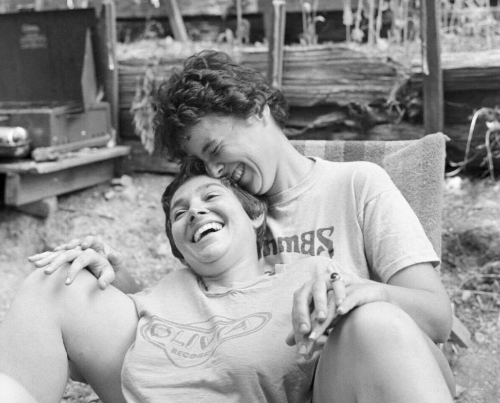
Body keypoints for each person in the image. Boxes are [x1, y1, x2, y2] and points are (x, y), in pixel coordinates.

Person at [21, 49, 455, 402]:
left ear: (256, 111)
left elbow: (436, 316)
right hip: (240, 378)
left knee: (373, 321)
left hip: (341, 376)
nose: (215, 171)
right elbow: (196, 317)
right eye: (203, 163)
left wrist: (364, 294)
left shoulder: (357, 184)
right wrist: (114, 280)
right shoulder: (228, 208)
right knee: (62, 283)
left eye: (215, 150)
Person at [0, 163, 352, 403]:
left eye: (211, 197)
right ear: (180, 250)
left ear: (255, 213)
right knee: (55, 279)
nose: (195, 211)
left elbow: (357, 345)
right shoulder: (173, 288)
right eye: (180, 213)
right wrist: (106, 272)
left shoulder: (307, 276)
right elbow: (124, 326)